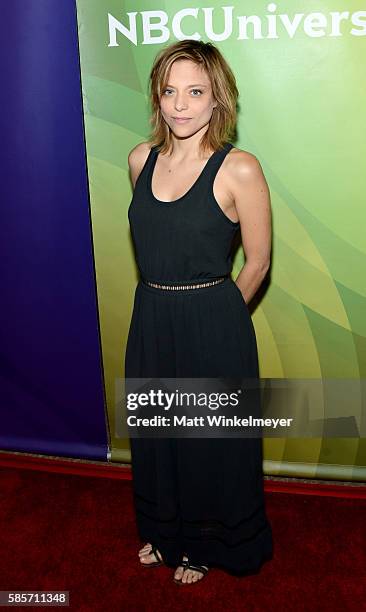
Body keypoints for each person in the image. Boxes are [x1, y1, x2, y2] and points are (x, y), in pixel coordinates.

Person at [125, 39, 273, 585]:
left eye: (195, 91)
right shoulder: (141, 160)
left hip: (213, 319)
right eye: (170, 91)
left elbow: (258, 263)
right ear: (157, 98)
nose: (181, 105)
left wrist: (219, 323)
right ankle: (166, 533)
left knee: (207, 443)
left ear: (218, 99)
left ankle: (205, 545)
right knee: (159, 435)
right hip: (152, 315)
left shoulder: (240, 169)